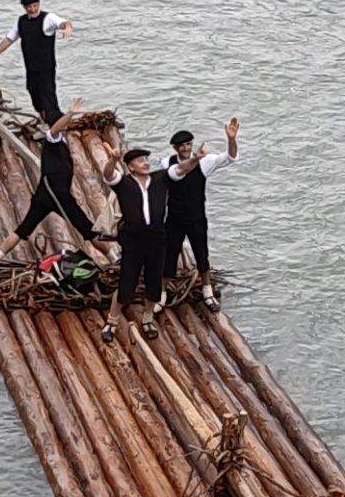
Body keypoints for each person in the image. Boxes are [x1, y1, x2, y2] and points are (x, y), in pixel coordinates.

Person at [100, 146, 205, 342]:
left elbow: (182, 169)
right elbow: (107, 174)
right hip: (133, 239)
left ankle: (147, 318)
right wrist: (113, 160)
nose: (146, 163)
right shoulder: (123, 182)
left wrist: (196, 158)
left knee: (154, 282)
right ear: (130, 167)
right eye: (140, 161)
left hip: (157, 238)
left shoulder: (161, 178)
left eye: (146, 159)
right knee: (126, 283)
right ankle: (112, 321)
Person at [0, 96, 103, 259]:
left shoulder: (61, 143)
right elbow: (54, 131)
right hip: (57, 197)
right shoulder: (52, 140)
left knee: (23, 229)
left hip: (47, 195)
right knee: (88, 231)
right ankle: (112, 256)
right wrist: (70, 113)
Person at [162, 117, 240, 309]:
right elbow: (178, 172)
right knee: (168, 255)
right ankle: (161, 293)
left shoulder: (205, 163)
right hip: (174, 218)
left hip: (196, 217)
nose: (185, 148)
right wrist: (195, 158)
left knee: (202, 254)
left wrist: (231, 139)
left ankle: (207, 291)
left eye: (188, 144)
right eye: (181, 146)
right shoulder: (167, 163)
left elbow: (229, 157)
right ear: (175, 148)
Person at [0, 0, 73, 119]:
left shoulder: (48, 18)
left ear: (39, 4)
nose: (32, 9)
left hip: (46, 67)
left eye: (35, 6)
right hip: (31, 67)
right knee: (33, 92)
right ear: (25, 8)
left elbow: (63, 23)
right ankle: (44, 120)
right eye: (29, 7)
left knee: (47, 95)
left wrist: (67, 28)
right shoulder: (21, 21)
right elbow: (8, 39)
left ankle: (55, 124)